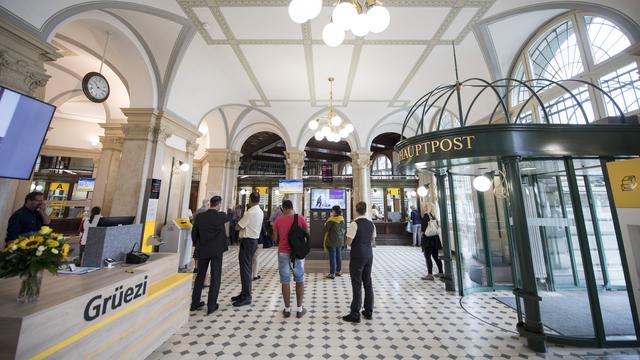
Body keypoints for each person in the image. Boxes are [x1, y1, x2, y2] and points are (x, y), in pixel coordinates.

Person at [190, 196, 230, 314]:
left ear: (210, 204)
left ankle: (195, 303)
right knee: (215, 276)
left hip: (203, 249)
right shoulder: (221, 216)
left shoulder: (200, 217)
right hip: (217, 251)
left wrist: (198, 243)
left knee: (200, 276)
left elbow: (194, 233)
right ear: (218, 205)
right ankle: (211, 305)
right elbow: (230, 216)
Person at [272, 200, 308, 318]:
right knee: (299, 279)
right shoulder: (301, 218)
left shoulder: (278, 220)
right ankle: (299, 309)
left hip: (283, 252)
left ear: (284, 208)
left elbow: (275, 238)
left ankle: (287, 309)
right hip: (297, 253)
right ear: (292, 207)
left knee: (285, 280)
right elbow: (307, 234)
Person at [343, 201, 376, 323]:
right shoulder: (371, 224)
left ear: (356, 210)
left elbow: (349, 242)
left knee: (356, 283)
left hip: (358, 254)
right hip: (369, 254)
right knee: (368, 282)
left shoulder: (354, 224)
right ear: (366, 210)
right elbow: (373, 239)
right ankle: (368, 311)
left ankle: (355, 313)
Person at [231, 192, 263, 307]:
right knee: (247, 268)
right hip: (254, 241)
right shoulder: (260, 211)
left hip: (248, 241)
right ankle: (244, 293)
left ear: (250, 200)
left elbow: (238, 226)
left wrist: (239, 221)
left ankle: (246, 296)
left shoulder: (250, 212)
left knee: (245, 269)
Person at [421, 205, 443, 280]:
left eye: (425, 207)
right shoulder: (434, 217)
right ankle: (441, 272)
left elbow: (423, 228)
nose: (424, 208)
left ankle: (430, 274)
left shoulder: (426, 216)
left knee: (427, 257)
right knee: (435, 256)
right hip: (435, 239)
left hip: (428, 240)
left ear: (428, 208)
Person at [323, 205, 345, 279]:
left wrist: (325, 224)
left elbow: (326, 229)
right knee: (338, 256)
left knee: (332, 257)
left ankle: (332, 273)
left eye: (332, 210)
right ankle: (338, 271)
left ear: (335, 211)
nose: (331, 212)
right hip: (340, 240)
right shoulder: (342, 219)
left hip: (332, 241)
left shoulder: (331, 220)